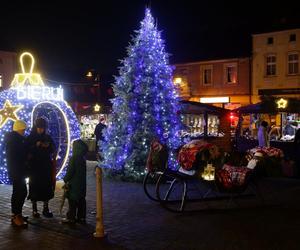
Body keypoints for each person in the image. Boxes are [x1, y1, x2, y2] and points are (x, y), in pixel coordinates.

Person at [26, 117, 56, 218]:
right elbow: (26, 150)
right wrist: (35, 146)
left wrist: (48, 146)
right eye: (39, 128)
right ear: (35, 127)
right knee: (34, 187)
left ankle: (45, 208)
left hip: (45, 166)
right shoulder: (31, 137)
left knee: (46, 187)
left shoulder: (47, 137)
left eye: (42, 128)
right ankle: (34, 210)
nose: (41, 130)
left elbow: (53, 149)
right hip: (35, 167)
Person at [4, 120, 28, 228]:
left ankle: (18, 214)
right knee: (20, 192)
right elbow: (16, 156)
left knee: (20, 192)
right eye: (23, 129)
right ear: (19, 129)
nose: (24, 131)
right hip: (17, 171)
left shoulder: (17, 140)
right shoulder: (15, 141)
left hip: (18, 171)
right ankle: (16, 215)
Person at [62, 139, 88, 224]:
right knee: (81, 201)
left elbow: (70, 171)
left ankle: (71, 218)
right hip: (81, 185)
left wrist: (65, 179)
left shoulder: (74, 158)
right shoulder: (82, 159)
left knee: (72, 202)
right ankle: (81, 217)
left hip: (73, 185)